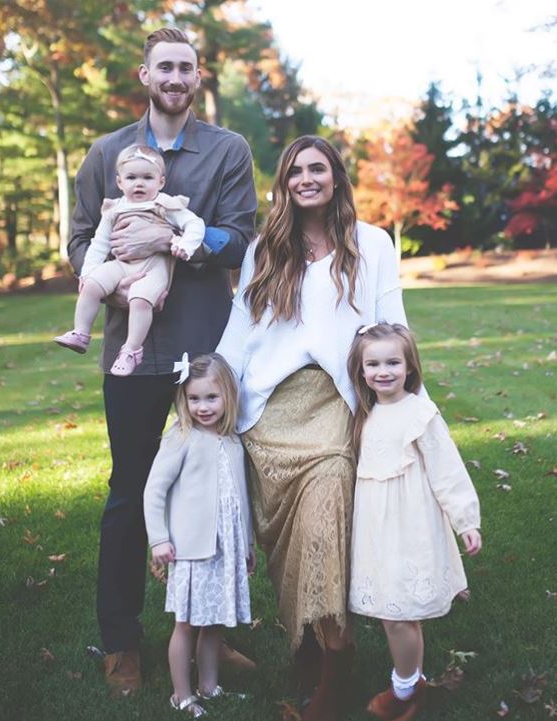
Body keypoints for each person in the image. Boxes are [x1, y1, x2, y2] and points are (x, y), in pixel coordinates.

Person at [66, 27, 256, 696]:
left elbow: (242, 239)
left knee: (215, 490)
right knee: (129, 492)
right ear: (145, 76)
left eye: (185, 67)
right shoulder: (107, 152)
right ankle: (121, 641)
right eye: (163, 67)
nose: (175, 76)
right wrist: (121, 268)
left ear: (197, 77)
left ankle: (209, 631)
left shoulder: (227, 149)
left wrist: (180, 241)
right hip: (132, 353)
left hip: (208, 352)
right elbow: (81, 238)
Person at [216, 135, 410, 721]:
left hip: (335, 406)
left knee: (327, 518)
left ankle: (336, 663)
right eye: (296, 170)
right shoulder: (266, 248)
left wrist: (409, 407)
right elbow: (240, 326)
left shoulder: (371, 244)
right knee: (287, 544)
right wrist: (209, 385)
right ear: (285, 180)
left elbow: (393, 323)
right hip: (271, 412)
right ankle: (305, 644)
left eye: (317, 168)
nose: (307, 178)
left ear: (335, 177)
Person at [346, 322, 482, 721]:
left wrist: (465, 521)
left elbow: (447, 469)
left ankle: (406, 687)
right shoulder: (365, 414)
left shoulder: (420, 413)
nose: (383, 372)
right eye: (373, 364)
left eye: (393, 362)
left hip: (410, 527)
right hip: (376, 530)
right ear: (361, 369)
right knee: (392, 610)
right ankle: (410, 681)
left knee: (401, 612)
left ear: (410, 367)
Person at [144, 353, 255, 717]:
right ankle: (181, 694)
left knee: (214, 621)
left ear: (228, 397)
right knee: (188, 623)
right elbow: (154, 489)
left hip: (226, 547)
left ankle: (209, 687)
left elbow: (241, 496)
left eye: (211, 398)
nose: (202, 407)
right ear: (184, 400)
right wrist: (159, 538)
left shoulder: (232, 438)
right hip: (191, 549)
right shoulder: (182, 436)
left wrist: (248, 544)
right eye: (194, 399)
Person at [55, 144, 205, 376]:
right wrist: (88, 272)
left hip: (153, 268)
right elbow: (99, 243)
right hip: (121, 264)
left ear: (161, 182)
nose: (139, 183)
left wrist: (185, 244)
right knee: (92, 284)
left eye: (147, 177)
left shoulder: (165, 204)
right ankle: (81, 333)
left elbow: (195, 224)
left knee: (140, 298)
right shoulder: (114, 209)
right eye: (132, 177)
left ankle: (132, 350)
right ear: (119, 182)